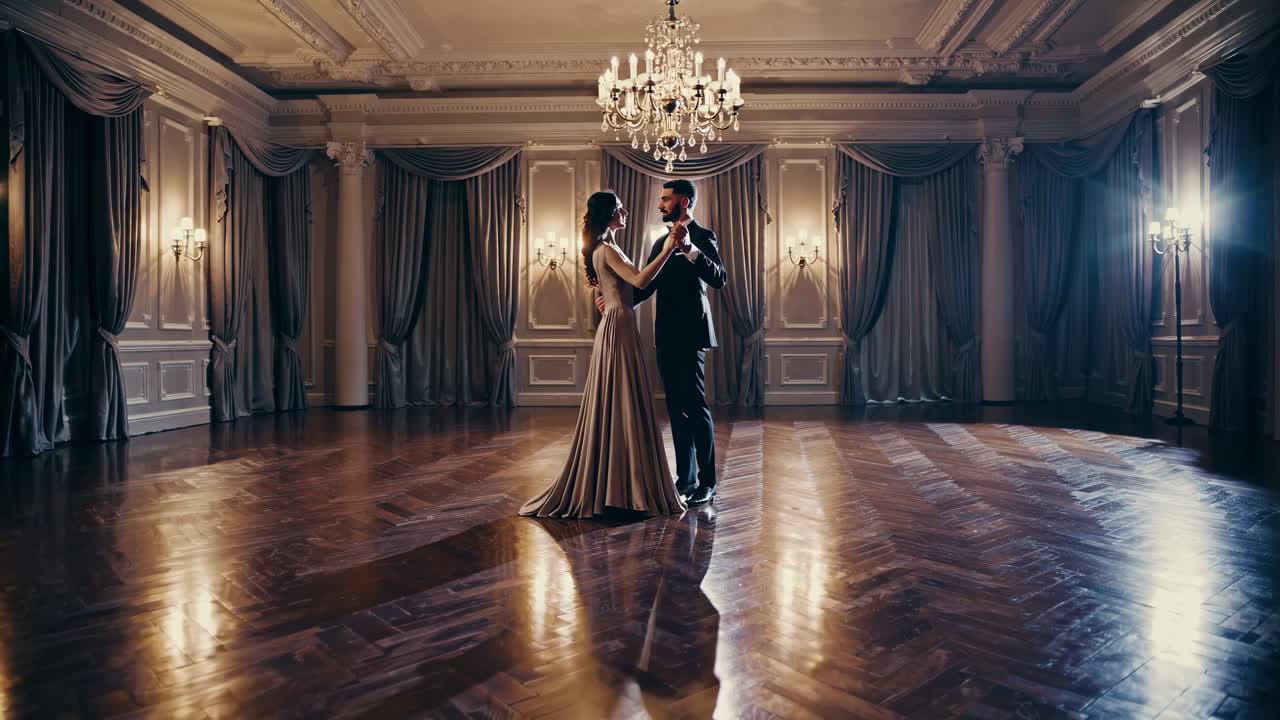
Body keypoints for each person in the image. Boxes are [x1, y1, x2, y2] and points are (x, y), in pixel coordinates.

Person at [520, 191, 687, 518]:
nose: (625, 210)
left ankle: (617, 487)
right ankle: (624, 490)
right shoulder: (607, 250)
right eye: (620, 207)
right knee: (623, 401)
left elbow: (609, 292)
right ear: (609, 214)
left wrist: (608, 300)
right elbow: (639, 280)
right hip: (620, 326)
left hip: (615, 323)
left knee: (617, 402)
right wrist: (668, 250)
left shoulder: (600, 249)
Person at [597, 179, 727, 505]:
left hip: (692, 334)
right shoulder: (659, 243)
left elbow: (719, 278)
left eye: (666, 200)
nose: (660, 205)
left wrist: (690, 251)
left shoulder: (703, 236)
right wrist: (615, 301)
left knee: (696, 408)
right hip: (665, 334)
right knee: (675, 408)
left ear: (683, 202)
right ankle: (686, 480)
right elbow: (644, 286)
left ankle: (708, 483)